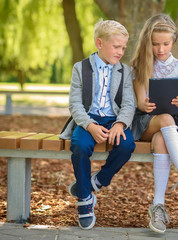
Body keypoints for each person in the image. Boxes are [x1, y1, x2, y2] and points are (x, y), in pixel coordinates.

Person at [59, 19, 136, 230]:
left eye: (123, 47)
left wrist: (120, 124)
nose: (120, 51)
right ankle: (85, 200)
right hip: (87, 119)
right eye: (116, 46)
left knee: (127, 145)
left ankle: (96, 182)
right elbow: (74, 104)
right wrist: (90, 125)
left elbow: (129, 103)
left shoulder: (125, 71)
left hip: (113, 120)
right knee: (80, 146)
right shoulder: (81, 68)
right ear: (100, 43)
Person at [130, 14, 178, 234]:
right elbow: (141, 102)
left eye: (166, 43)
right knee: (165, 120)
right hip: (146, 123)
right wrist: (145, 104)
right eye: (155, 44)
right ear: (147, 42)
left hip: (169, 130)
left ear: (173, 42)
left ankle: (158, 207)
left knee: (163, 137)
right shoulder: (141, 65)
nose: (160, 49)